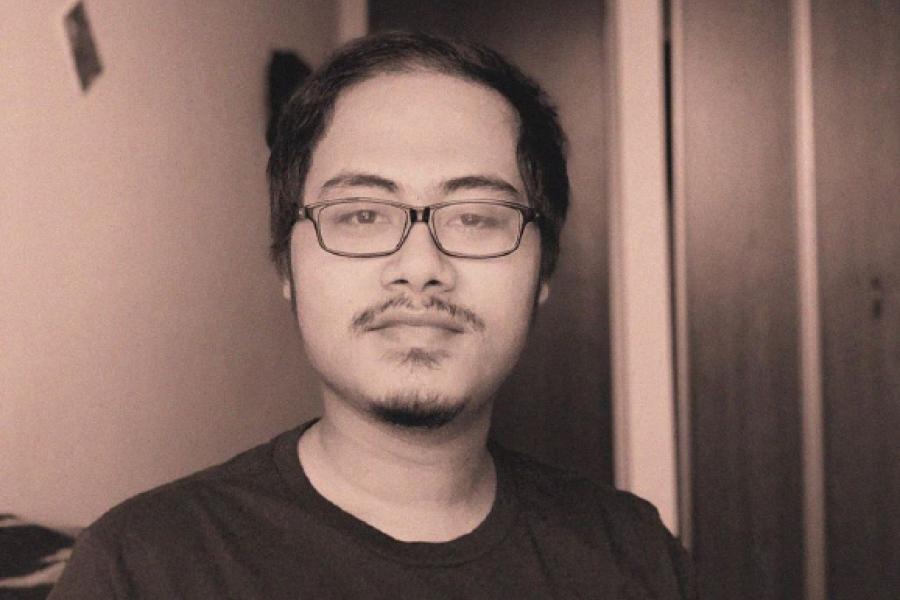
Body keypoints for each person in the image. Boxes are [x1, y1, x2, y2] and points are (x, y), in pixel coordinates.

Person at [51, 32, 696, 599]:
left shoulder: (635, 555)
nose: (420, 265)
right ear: (286, 267)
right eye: (361, 215)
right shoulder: (140, 567)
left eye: (476, 218)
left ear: (543, 272)